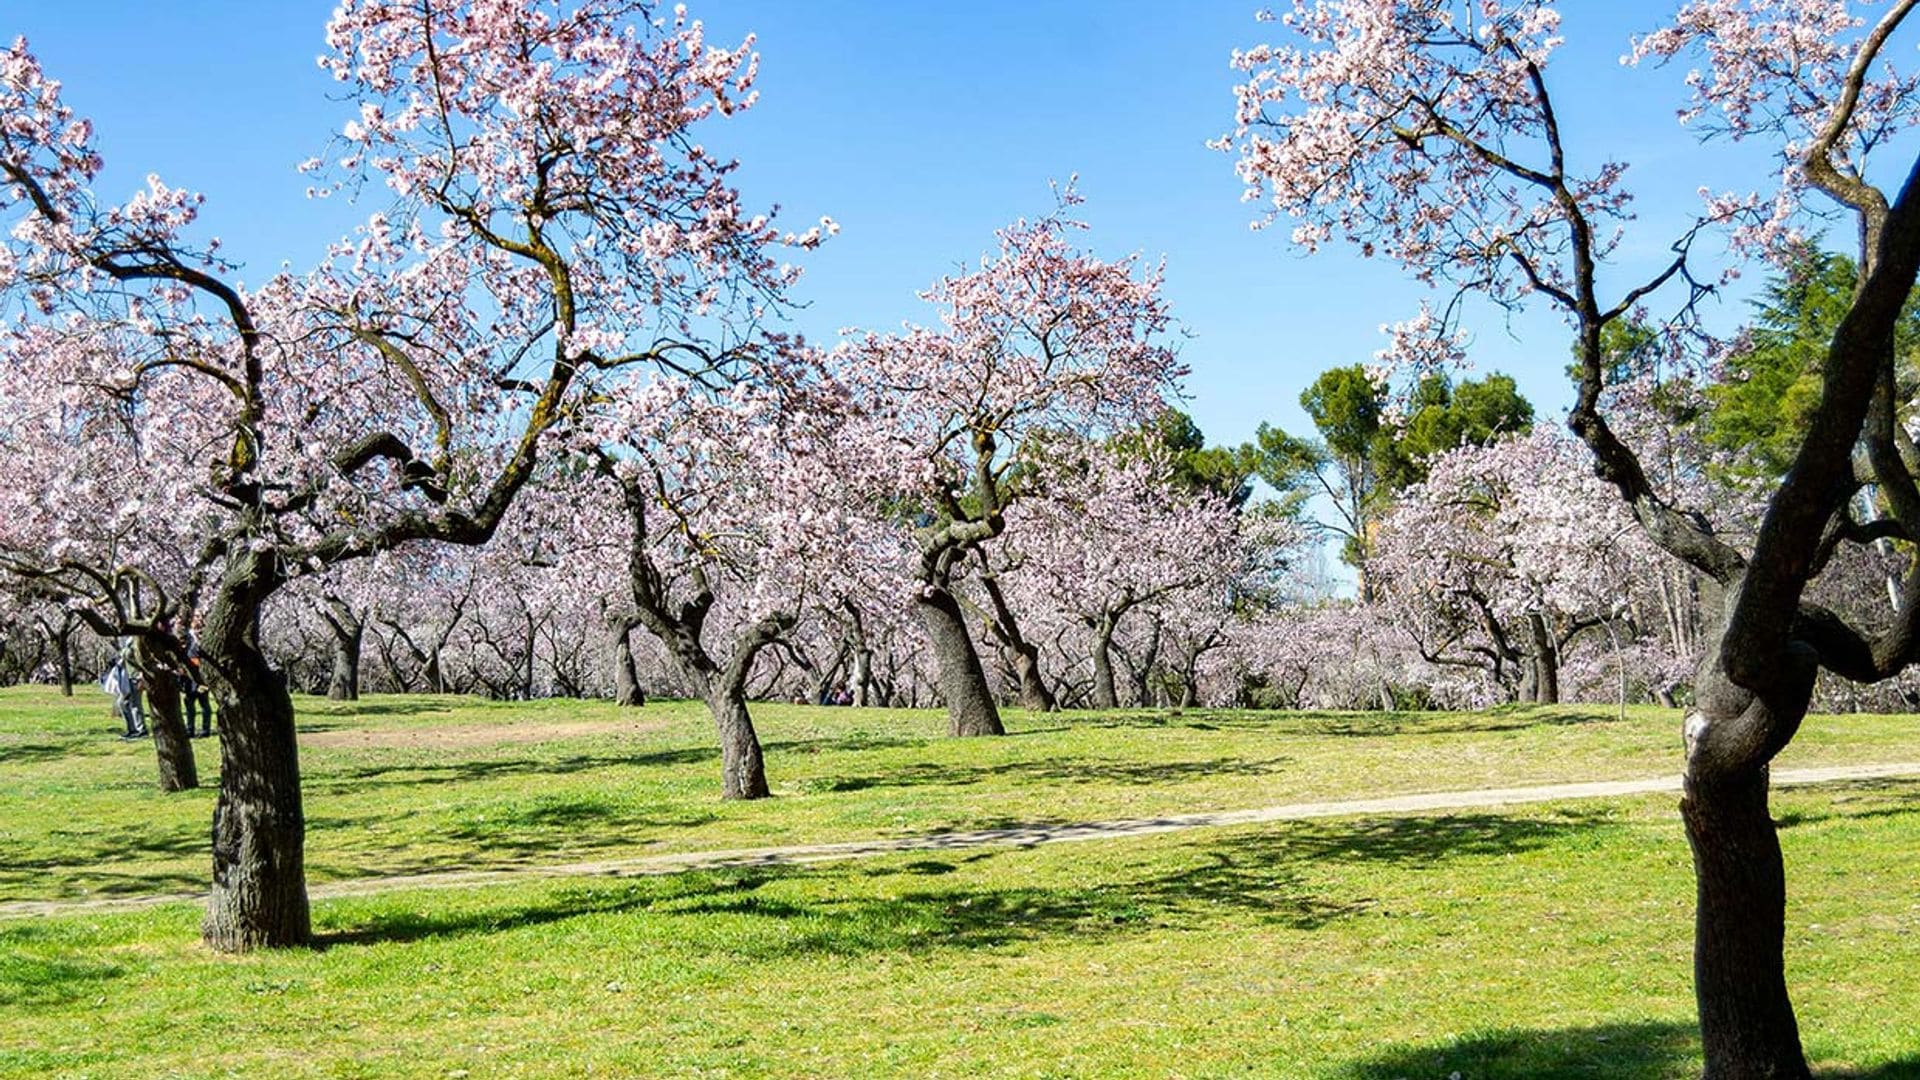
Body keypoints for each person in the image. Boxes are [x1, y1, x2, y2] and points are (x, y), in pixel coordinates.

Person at [102, 652, 145, 740]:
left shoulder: (136, 644)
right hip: (126, 678)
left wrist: (141, 677)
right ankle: (132, 729)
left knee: (135, 704)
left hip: (135, 679)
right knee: (122, 703)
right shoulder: (126, 644)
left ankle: (141, 730)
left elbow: (143, 660)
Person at [183, 629, 215, 738]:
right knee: (189, 705)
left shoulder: (200, 648)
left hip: (201, 680)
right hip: (190, 681)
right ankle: (190, 729)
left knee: (204, 704)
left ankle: (205, 729)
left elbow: (199, 663)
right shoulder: (188, 646)